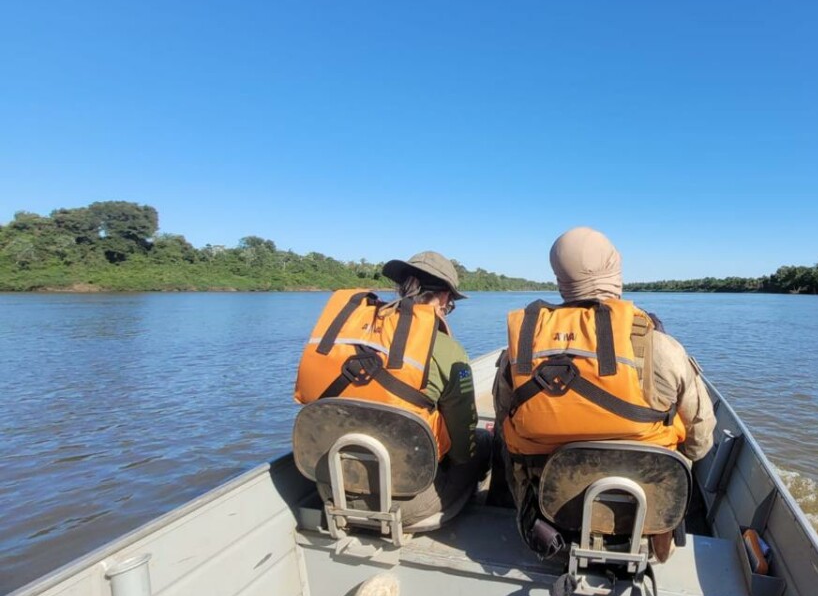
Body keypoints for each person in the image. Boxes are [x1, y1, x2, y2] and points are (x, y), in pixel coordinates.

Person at [492, 227, 715, 555]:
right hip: (644, 521)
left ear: (560, 279)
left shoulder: (518, 353)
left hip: (550, 521)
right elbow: (700, 442)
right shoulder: (662, 348)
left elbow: (503, 422)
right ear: (615, 272)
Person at [295, 250, 489, 532]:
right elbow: (462, 440)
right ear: (444, 298)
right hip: (405, 504)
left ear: (401, 289)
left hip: (331, 489)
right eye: (450, 304)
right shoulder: (447, 350)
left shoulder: (341, 339)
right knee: (483, 442)